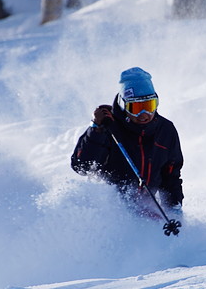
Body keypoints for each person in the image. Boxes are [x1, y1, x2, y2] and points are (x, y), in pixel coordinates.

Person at [71, 67, 184, 213]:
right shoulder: (108, 127)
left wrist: (173, 207)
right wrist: (96, 131)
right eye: (136, 108)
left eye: (149, 106)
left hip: (146, 208)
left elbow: (171, 173)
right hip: (109, 210)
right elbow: (82, 167)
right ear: (124, 105)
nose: (144, 115)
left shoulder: (165, 130)